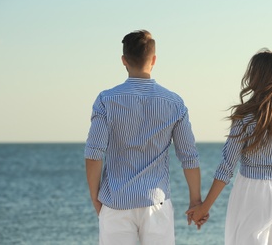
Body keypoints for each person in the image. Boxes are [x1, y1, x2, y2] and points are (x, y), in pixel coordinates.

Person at [85, 30, 205, 245]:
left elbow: (94, 154)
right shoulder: (174, 102)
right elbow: (189, 157)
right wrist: (196, 201)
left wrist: (95, 197)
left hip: (115, 203)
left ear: (123, 60)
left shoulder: (106, 100)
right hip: (156, 205)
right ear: (154, 60)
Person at [186, 49, 272, 245]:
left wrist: (203, 207)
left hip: (251, 194)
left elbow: (226, 168)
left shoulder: (246, 117)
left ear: (255, 77)